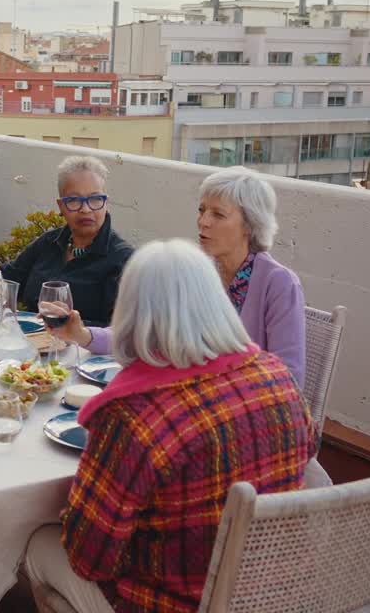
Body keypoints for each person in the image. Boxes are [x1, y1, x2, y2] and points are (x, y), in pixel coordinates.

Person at [24, 239, 314, 613]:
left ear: (129, 310)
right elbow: (310, 450)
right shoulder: (277, 376)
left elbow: (88, 559)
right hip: (275, 594)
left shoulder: (133, 416)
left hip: (177, 603)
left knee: (39, 544)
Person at [47, 166, 306, 388]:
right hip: (191, 400)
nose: (202, 221)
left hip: (243, 416)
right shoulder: (199, 271)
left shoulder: (278, 283)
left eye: (218, 214)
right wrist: (81, 335)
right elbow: (145, 331)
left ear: (250, 224)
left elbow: (289, 377)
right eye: (202, 210)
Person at [1, 155, 132, 327]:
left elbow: (122, 330)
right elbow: (7, 277)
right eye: (74, 201)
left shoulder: (123, 259)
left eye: (95, 199)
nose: (85, 209)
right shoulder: (49, 242)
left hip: (86, 352)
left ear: (106, 203)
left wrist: (72, 324)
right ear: (61, 206)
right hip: (33, 344)